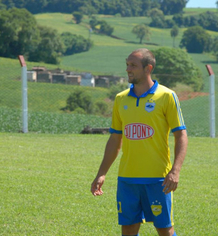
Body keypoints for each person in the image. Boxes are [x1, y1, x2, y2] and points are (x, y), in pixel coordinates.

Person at [90, 48, 188, 236]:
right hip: (127, 179)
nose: (128, 69)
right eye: (127, 64)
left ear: (148, 68)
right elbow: (115, 139)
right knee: (128, 229)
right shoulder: (120, 99)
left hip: (158, 179)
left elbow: (181, 135)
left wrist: (175, 171)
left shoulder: (167, 96)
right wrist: (101, 173)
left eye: (133, 65)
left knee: (164, 229)